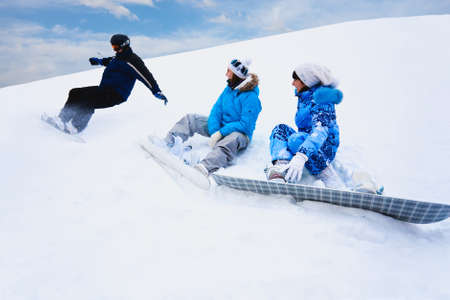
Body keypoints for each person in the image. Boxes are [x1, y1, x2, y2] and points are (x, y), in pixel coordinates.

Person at [45, 34, 167, 134]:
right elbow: (109, 61)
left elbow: (146, 76)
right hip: (105, 89)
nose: (113, 49)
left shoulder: (132, 60)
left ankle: (75, 127)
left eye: (115, 47)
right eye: (112, 46)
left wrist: (156, 91)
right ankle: (62, 119)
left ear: (123, 46)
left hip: (117, 94)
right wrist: (98, 61)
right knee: (75, 92)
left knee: (88, 100)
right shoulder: (118, 57)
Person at [163, 58, 262, 177]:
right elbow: (217, 109)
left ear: (236, 75)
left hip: (240, 134)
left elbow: (245, 125)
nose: (226, 74)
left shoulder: (251, 98)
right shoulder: (229, 89)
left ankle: (204, 167)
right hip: (221, 128)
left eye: (229, 71)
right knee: (191, 119)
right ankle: (168, 143)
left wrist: (221, 133)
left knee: (231, 141)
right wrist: (215, 130)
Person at [266, 63, 344, 188]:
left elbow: (320, 131)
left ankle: (327, 175)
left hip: (324, 148)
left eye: (295, 79)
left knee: (296, 139)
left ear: (306, 81)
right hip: (305, 140)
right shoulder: (305, 97)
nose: (293, 83)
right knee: (280, 129)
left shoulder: (322, 100)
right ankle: (281, 167)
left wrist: (301, 156)